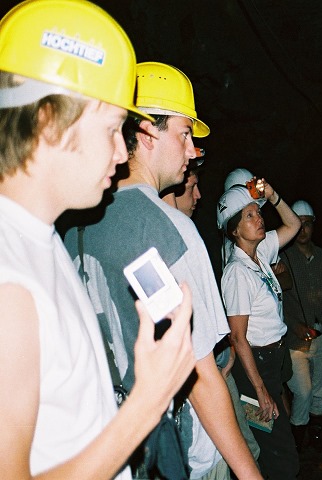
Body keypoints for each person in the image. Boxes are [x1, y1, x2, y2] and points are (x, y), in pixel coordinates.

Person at [0, 1, 196, 478]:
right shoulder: (8, 285)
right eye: (111, 129)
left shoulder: (39, 240)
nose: (119, 151)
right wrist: (148, 401)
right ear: (49, 121)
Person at [64, 61, 261, 479]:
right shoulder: (172, 231)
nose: (193, 151)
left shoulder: (77, 227)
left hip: (110, 445)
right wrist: (250, 474)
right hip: (182, 451)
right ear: (148, 133)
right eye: (185, 133)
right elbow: (203, 377)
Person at [162, 165, 262, 476]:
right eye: (191, 187)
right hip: (209, 380)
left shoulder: (187, 235)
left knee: (247, 441)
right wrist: (223, 365)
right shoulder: (171, 241)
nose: (199, 195)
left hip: (220, 365)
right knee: (241, 447)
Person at [218, 182, 301, 479]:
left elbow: (294, 224)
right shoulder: (237, 273)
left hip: (272, 361)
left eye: (258, 213)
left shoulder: (260, 254)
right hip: (255, 367)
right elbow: (238, 337)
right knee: (277, 452)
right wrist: (260, 390)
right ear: (235, 231)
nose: (260, 219)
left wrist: (272, 196)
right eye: (250, 216)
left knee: (273, 441)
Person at [280, 200, 322, 452]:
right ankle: (297, 439)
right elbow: (274, 302)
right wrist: (294, 325)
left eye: (307, 224)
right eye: (297, 224)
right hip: (296, 339)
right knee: (302, 390)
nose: (302, 230)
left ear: (313, 225)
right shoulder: (281, 258)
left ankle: (316, 434)